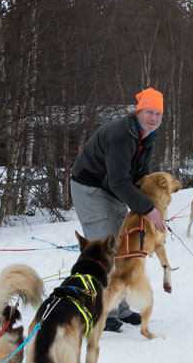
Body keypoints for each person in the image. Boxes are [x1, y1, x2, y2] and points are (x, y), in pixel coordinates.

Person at [70, 87, 166, 331]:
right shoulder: (121, 135)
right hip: (90, 188)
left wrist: (154, 206)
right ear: (138, 112)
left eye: (158, 114)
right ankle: (103, 310)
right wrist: (147, 209)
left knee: (123, 245)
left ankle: (120, 308)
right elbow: (119, 181)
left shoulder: (148, 135)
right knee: (103, 247)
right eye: (149, 112)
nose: (154, 118)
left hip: (111, 188)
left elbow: (141, 175)